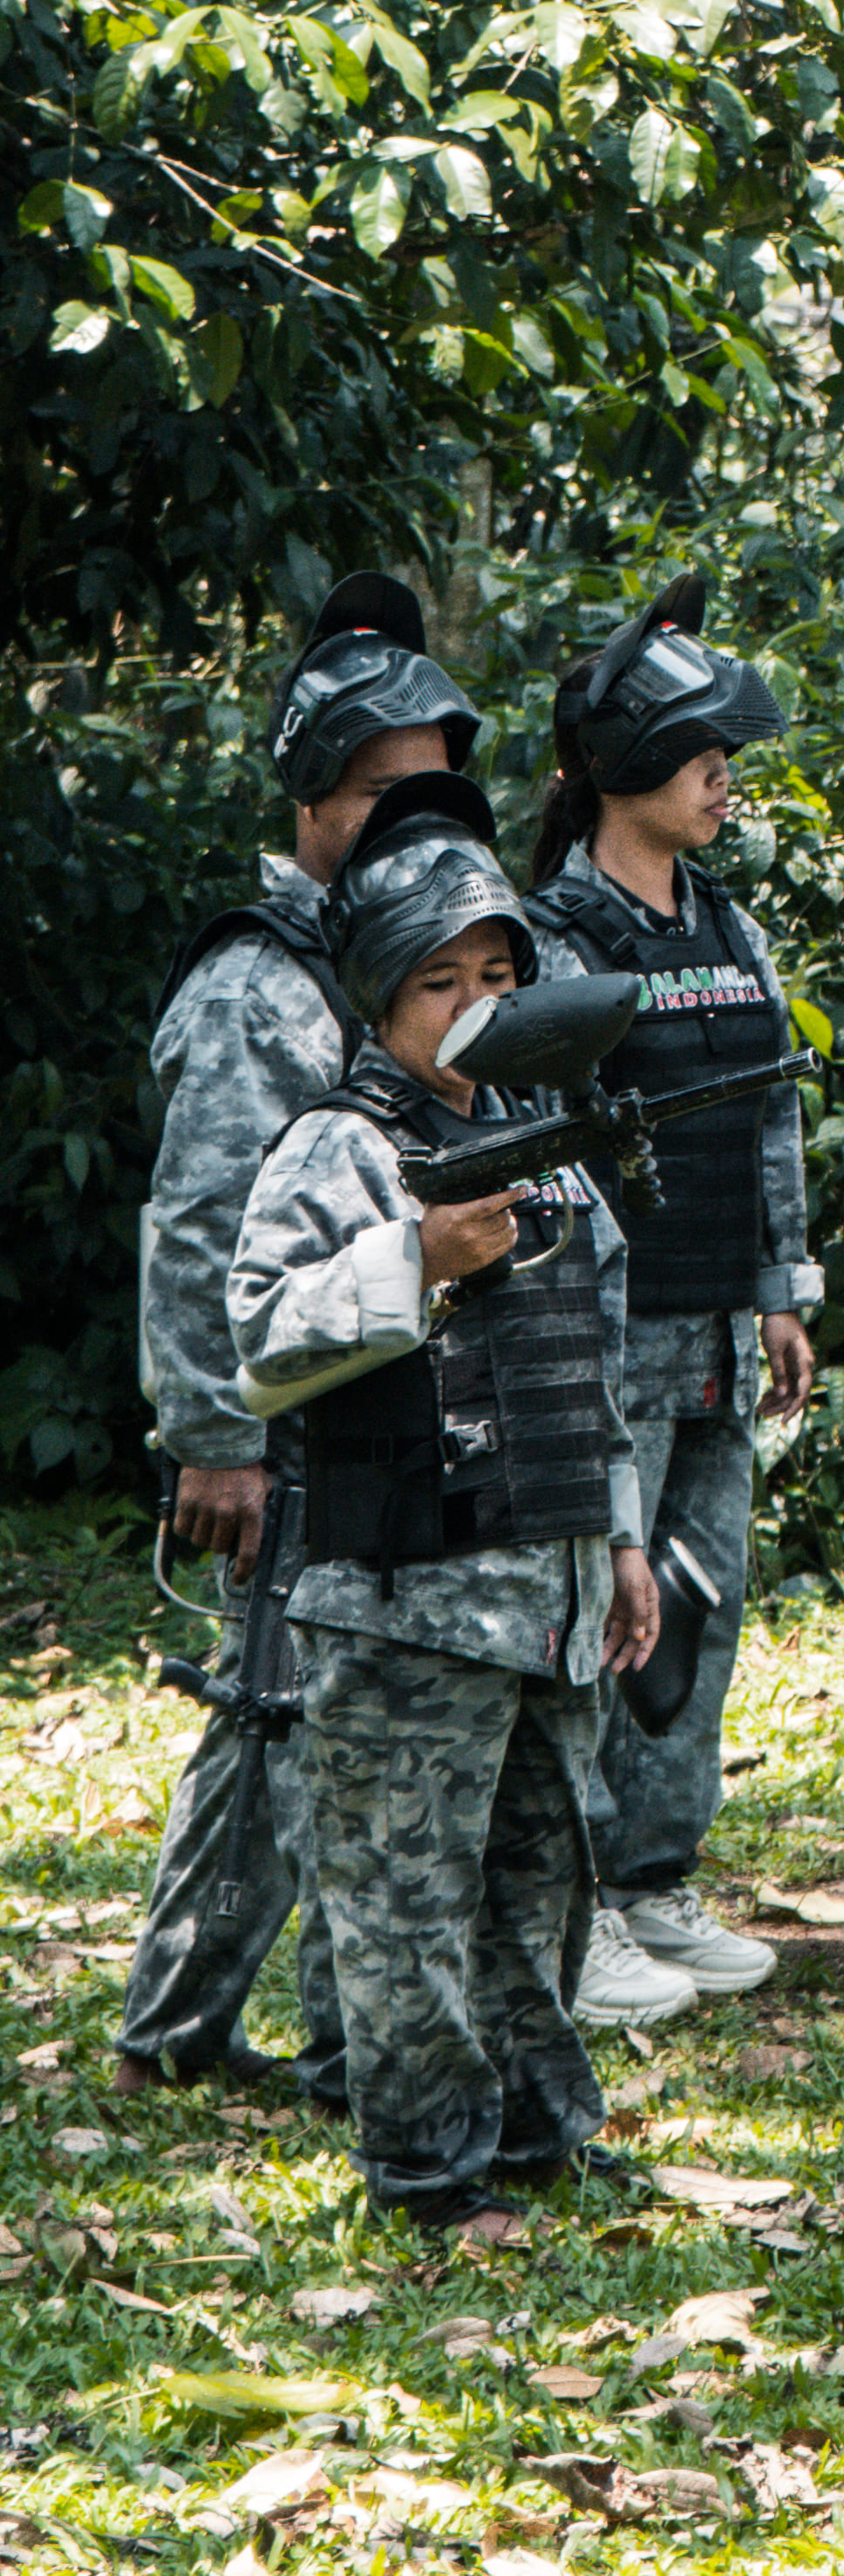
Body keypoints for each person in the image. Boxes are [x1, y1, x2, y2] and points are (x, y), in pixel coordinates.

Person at [228, 773, 659, 2228]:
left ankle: (540, 2132)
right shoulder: (336, 1148)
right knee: (406, 1905)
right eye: (439, 981)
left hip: (543, 1592)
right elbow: (267, 1335)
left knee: (542, 1886)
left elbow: (592, 1358)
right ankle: (426, 2164)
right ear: (377, 995)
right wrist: (416, 1262)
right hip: (407, 1598)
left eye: (498, 976)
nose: (473, 1006)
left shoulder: (542, 1139)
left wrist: (623, 1539)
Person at [114, 574, 477, 2104]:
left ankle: (346, 2038)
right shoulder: (262, 981)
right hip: (286, 1418)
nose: (414, 817)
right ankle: (173, 2036)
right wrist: (213, 1439)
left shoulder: (398, 957)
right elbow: (198, 1225)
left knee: (355, 1733)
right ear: (317, 801)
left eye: (436, 789)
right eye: (386, 788)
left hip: (384, 1411)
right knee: (267, 1722)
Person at [524, 577, 819, 2028]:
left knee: (695, 1614)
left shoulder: (722, 920)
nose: (724, 777)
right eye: (701, 753)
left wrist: (780, 1291)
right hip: (608, 1341)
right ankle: (567, 1908)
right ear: (624, 769)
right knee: (599, 1615)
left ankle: (654, 1882)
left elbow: (766, 1113)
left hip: (714, 1327)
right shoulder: (554, 936)